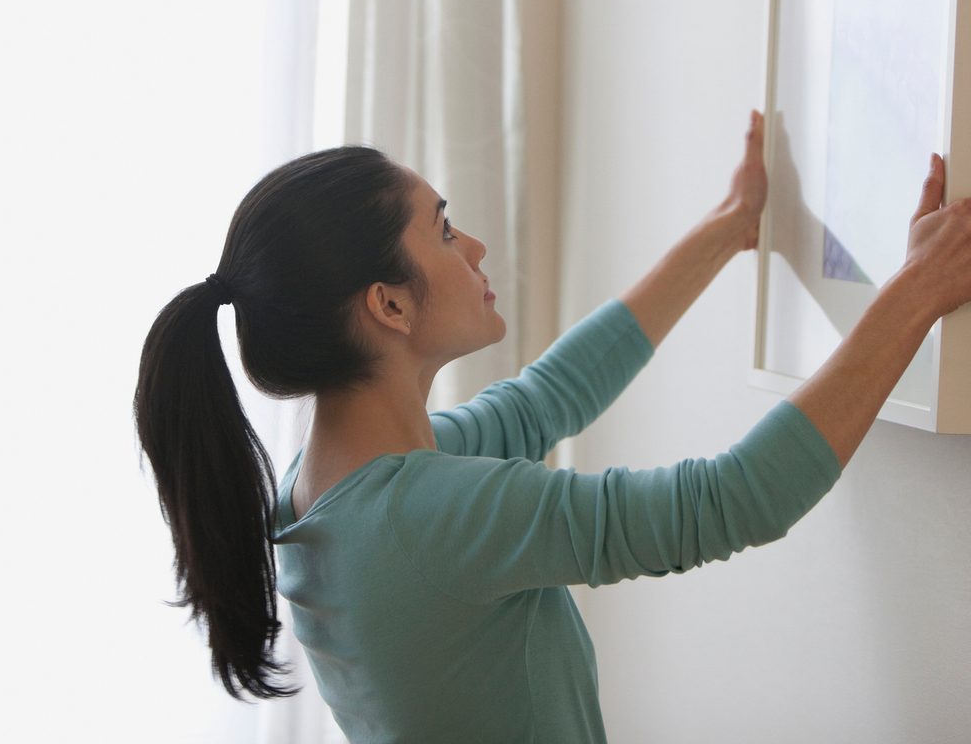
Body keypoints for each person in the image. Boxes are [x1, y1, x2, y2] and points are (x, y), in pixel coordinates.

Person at [134, 111, 971, 743]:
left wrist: (728, 228)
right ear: (387, 304)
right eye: (446, 230)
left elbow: (546, 399)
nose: (478, 248)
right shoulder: (424, 515)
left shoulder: (333, 489)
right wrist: (917, 292)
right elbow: (732, 501)